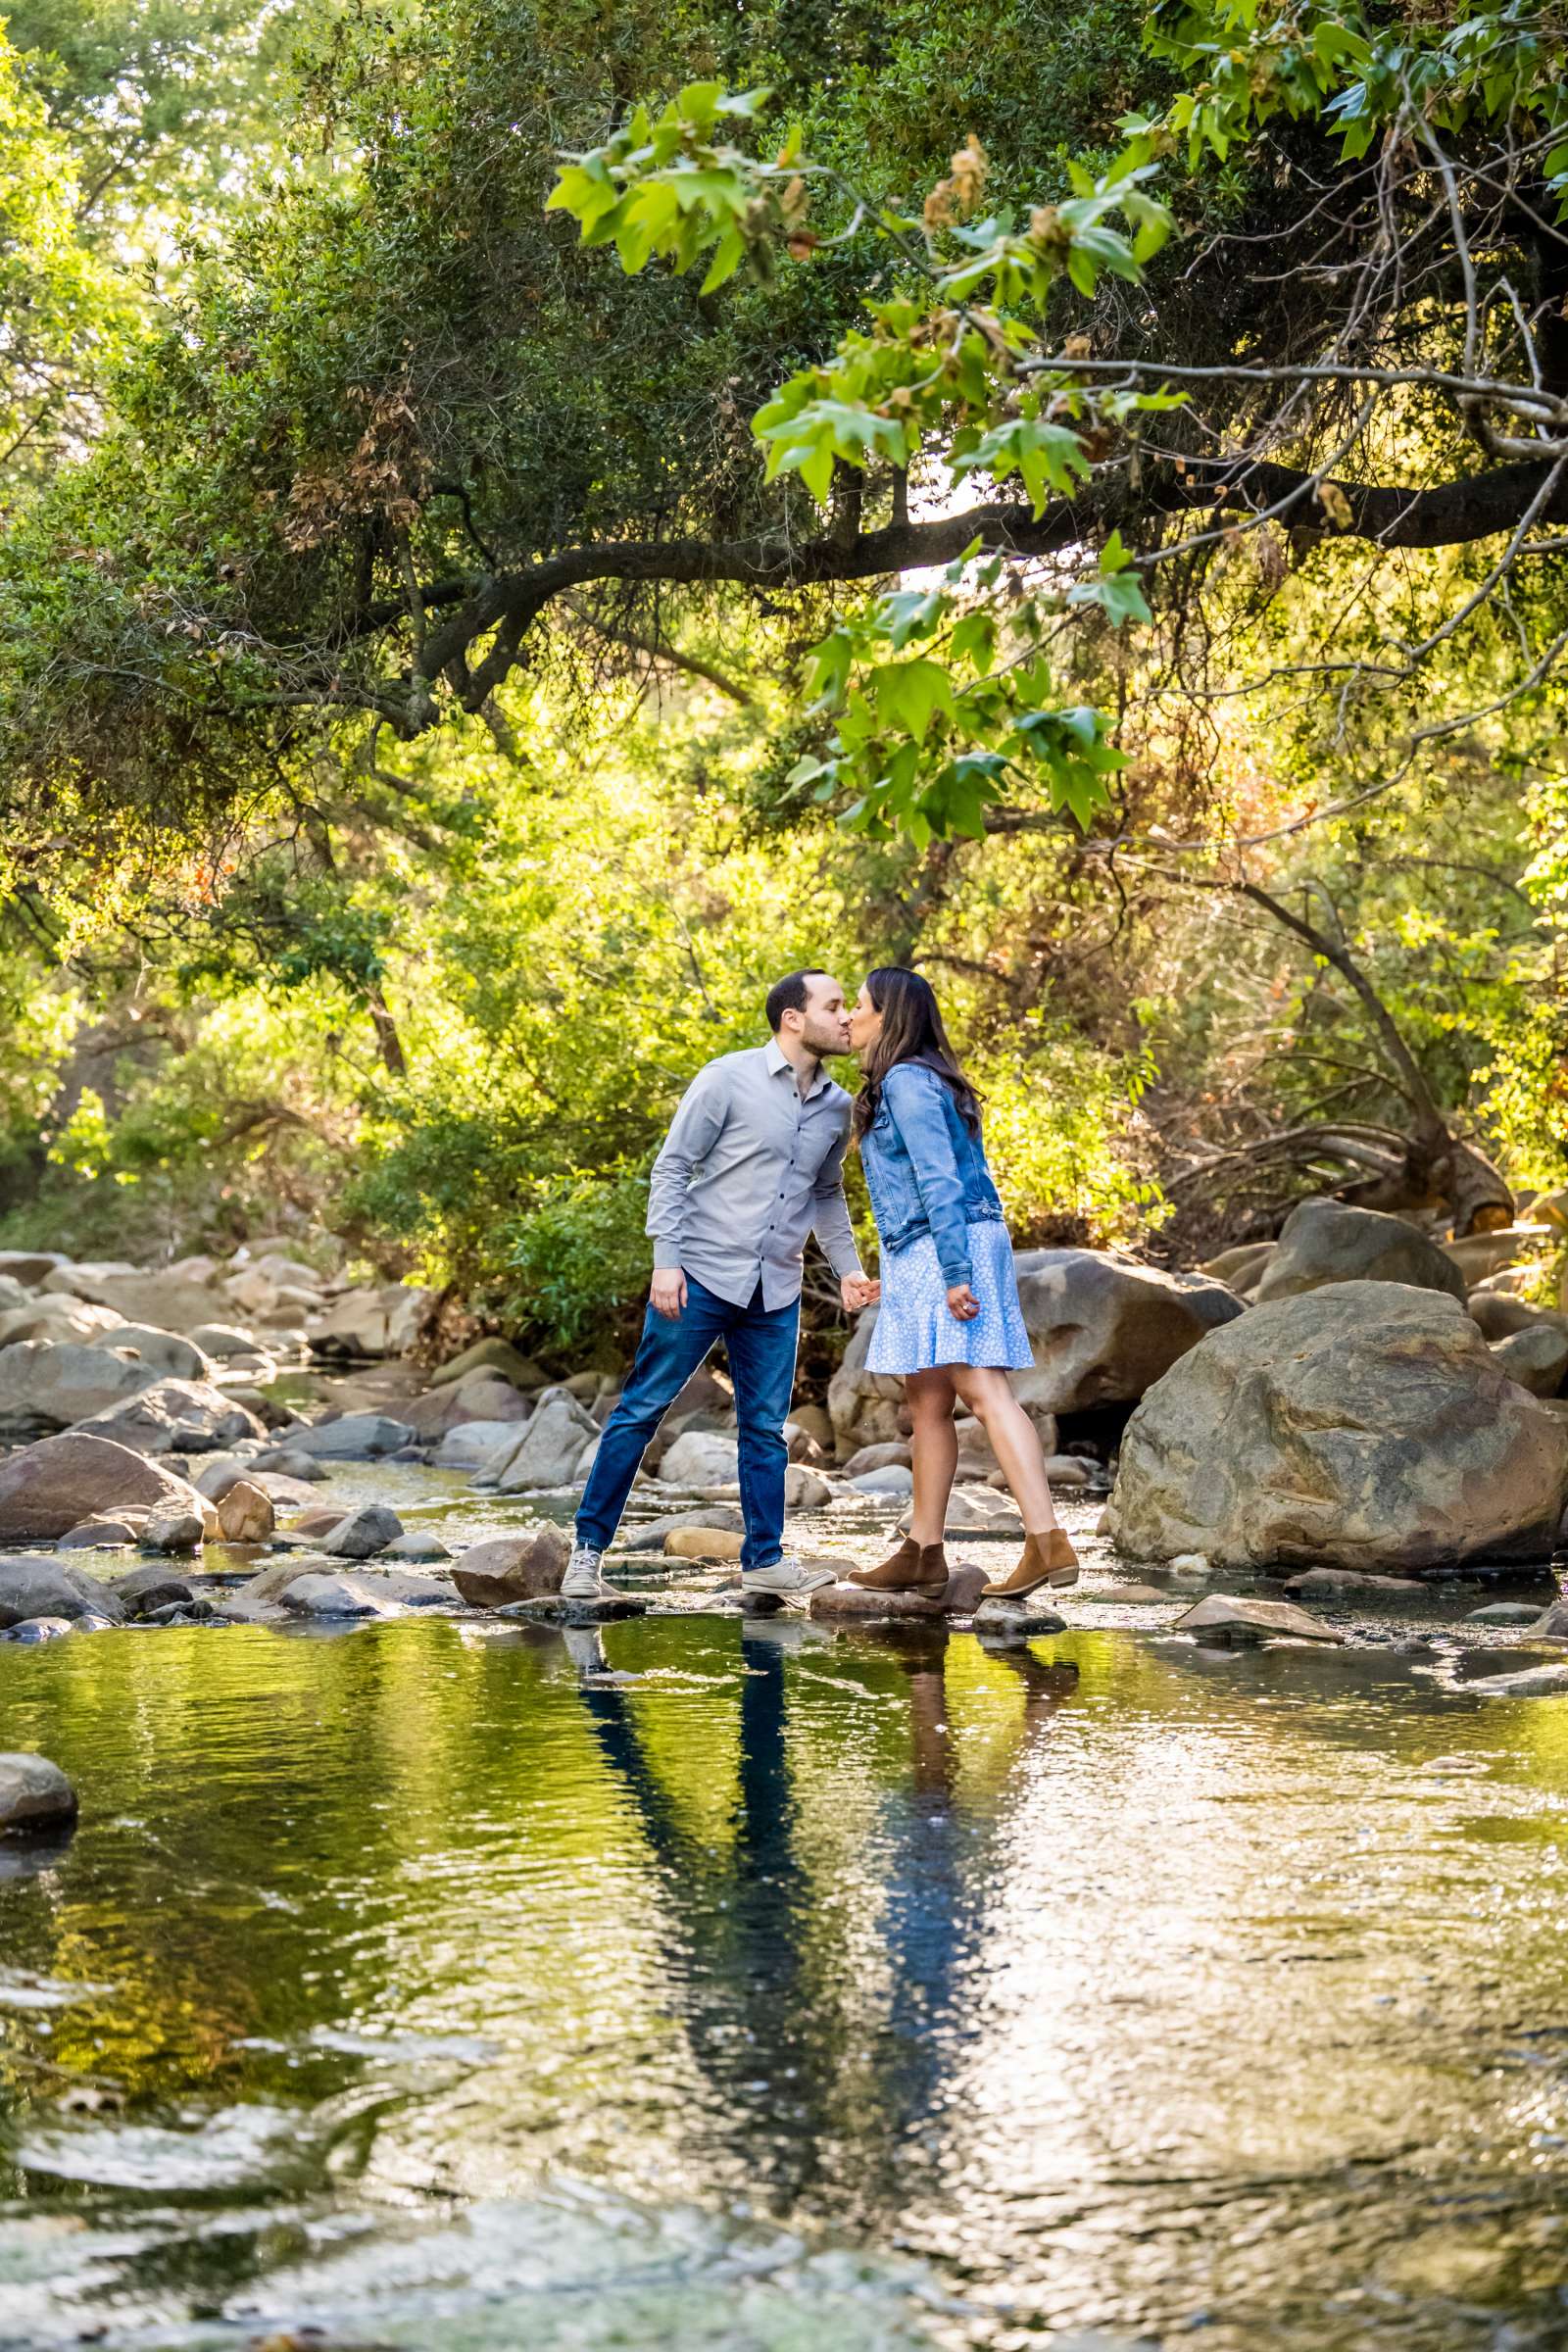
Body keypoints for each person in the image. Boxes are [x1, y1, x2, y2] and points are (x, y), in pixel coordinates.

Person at [564, 970, 876, 1601]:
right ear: (793, 1018)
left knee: (764, 1430)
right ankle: (586, 1554)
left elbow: (825, 1193)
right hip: (699, 1275)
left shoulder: (838, 1107)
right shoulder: (726, 1078)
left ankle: (764, 1559)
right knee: (640, 1413)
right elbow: (673, 1166)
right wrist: (665, 1260)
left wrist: (847, 1267)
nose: (846, 1018)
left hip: (776, 1291)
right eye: (834, 1006)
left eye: (848, 1007)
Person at [844, 965, 1079, 1601]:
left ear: (889, 1018)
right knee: (925, 1400)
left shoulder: (910, 1083)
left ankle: (1047, 1540)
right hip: (925, 1250)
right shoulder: (902, 1083)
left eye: (859, 1006)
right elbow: (914, 1192)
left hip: (954, 1246)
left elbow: (942, 1181)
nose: (849, 1018)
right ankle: (923, 1550)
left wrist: (952, 1274)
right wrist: (901, 1277)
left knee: (980, 1387)